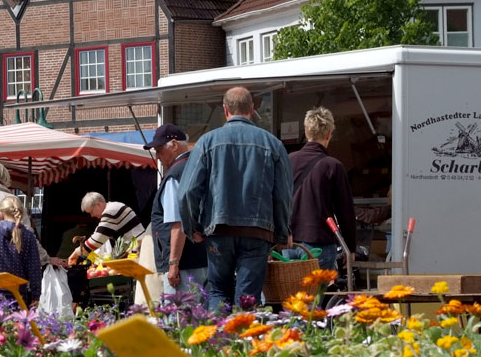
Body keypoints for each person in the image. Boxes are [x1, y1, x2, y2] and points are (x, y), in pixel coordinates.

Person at [180, 86, 293, 310]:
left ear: (225, 110)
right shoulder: (273, 144)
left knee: (218, 291)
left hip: (219, 231)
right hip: (257, 232)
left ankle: (217, 343)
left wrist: (192, 228)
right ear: (252, 109)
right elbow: (283, 196)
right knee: (247, 299)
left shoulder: (206, 142)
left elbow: (187, 191)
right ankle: (243, 341)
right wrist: (282, 233)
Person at [284, 107, 357, 272]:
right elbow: (345, 210)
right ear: (329, 133)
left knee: (290, 295)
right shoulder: (333, 166)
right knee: (315, 296)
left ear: (306, 130)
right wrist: (350, 247)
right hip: (319, 243)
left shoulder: (288, 161)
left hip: (288, 242)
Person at [143, 124, 207, 293]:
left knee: (179, 317)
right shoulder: (201, 167)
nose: (157, 156)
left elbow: (178, 223)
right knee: (202, 316)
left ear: (174, 145)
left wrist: (173, 264)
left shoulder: (175, 174)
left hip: (184, 265)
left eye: (159, 150)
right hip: (204, 258)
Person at [0, 162, 59, 270]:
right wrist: (46, 259)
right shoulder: (13, 201)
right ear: (6, 178)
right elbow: (27, 235)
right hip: (6, 269)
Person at [66, 193, 144, 266]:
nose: (92, 216)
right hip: (139, 249)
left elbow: (96, 239)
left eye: (91, 212)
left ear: (98, 204)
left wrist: (76, 253)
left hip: (141, 251)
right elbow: (98, 233)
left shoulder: (110, 212)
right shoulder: (114, 206)